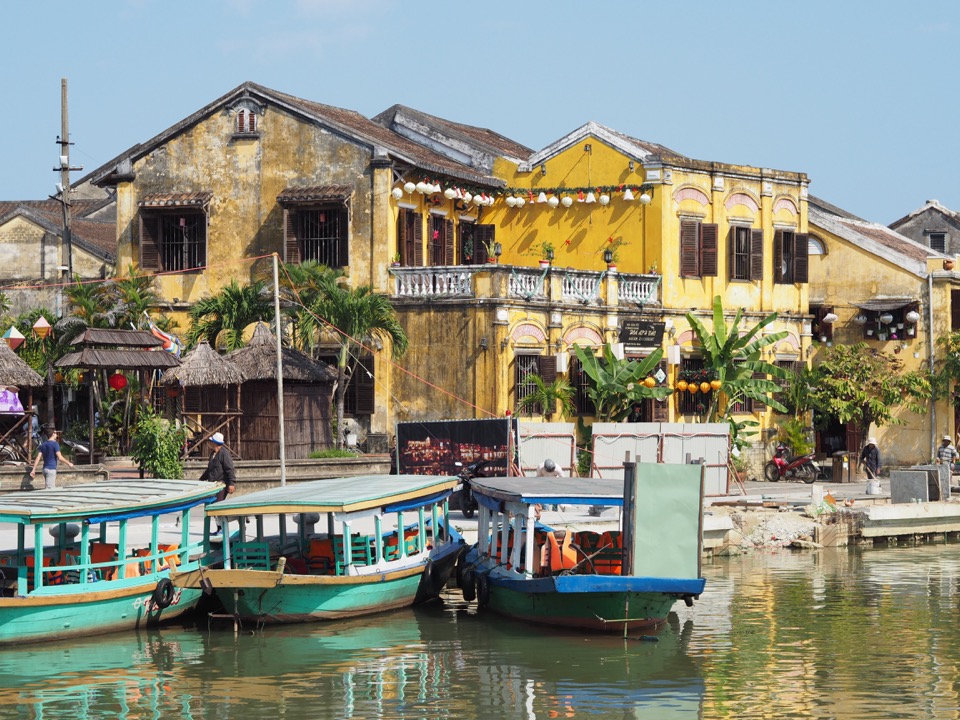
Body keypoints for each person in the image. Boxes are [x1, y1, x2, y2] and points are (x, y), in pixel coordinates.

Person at [199, 432, 236, 535]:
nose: (209, 443)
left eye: (211, 441)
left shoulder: (224, 454)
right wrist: (200, 480)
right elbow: (209, 470)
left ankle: (223, 529)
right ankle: (219, 528)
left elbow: (230, 469)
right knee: (213, 506)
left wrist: (231, 483)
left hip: (221, 485)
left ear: (215, 443)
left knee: (217, 507)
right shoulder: (213, 454)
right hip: (213, 485)